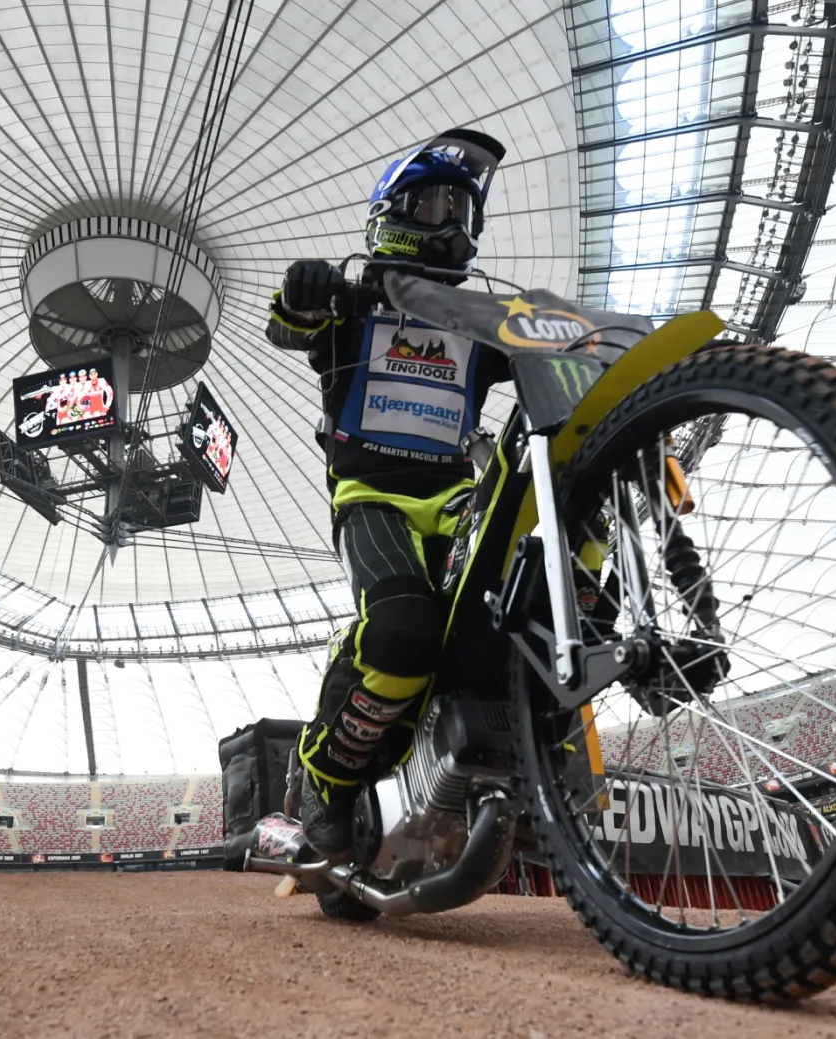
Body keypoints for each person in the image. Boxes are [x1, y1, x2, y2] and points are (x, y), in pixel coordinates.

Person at [264, 128, 516, 856]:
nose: (448, 223)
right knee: (404, 634)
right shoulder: (348, 301)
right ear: (393, 213)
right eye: (433, 204)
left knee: (507, 620)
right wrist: (303, 292)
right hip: (372, 495)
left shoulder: (481, 320)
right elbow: (290, 324)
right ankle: (322, 777)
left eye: (460, 212)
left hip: (459, 499)